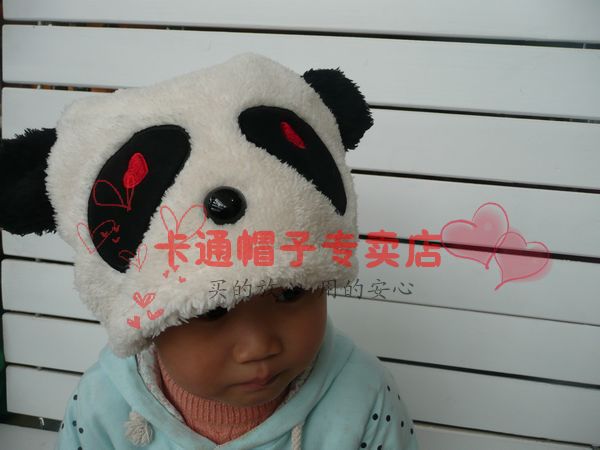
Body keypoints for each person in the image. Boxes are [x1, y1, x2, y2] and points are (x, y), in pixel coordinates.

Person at [0, 52, 420, 449]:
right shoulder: (104, 405)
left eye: (291, 293)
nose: (258, 346)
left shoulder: (362, 396)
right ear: (147, 321)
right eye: (211, 310)